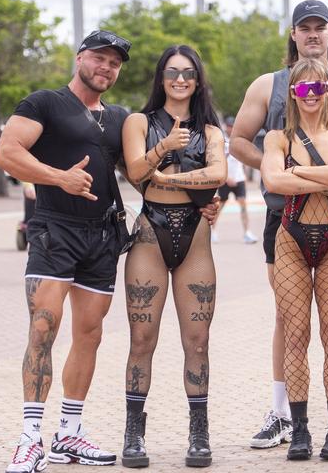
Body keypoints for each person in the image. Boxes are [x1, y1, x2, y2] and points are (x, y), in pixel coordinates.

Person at [230, 0, 328, 449]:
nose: (313, 35)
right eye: (305, 28)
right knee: (288, 317)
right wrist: (276, 168)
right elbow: (239, 140)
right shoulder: (268, 85)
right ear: (293, 33)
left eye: (320, 27)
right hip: (284, 214)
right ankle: (282, 414)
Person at [0, 30, 132, 472]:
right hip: (55, 230)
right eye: (99, 58)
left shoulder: (118, 118)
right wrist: (59, 178)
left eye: (114, 62)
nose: (105, 67)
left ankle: (69, 434)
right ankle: (30, 438)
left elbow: (140, 172)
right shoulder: (44, 103)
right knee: (43, 328)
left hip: (103, 236)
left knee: (89, 334)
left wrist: (201, 197)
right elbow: (6, 152)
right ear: (80, 58)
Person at [119, 45, 226, 468]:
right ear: (160, 78)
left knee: (197, 342)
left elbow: (218, 175)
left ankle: (198, 435)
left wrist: (163, 176)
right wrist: (163, 148)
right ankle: (133, 434)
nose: (180, 79)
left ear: (198, 80)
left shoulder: (211, 130)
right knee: (141, 339)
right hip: (150, 233)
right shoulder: (138, 122)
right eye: (171, 72)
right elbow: (134, 172)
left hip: (195, 238)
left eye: (188, 73)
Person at [261, 58, 328, 461]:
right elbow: (272, 181)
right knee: (295, 334)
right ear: (292, 93)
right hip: (290, 238)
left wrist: (300, 175)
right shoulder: (277, 138)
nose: (311, 96)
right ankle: (299, 428)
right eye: (303, 89)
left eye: (318, 88)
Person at [211, 116, 258, 244]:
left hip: (239, 179)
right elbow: (217, 162)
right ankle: (213, 231)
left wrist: (246, 175)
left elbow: (242, 159)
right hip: (225, 180)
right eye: (229, 126)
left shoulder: (239, 140)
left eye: (233, 126)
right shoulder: (220, 141)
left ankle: (247, 232)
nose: (231, 128)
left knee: (243, 205)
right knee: (220, 206)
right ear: (226, 126)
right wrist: (226, 178)